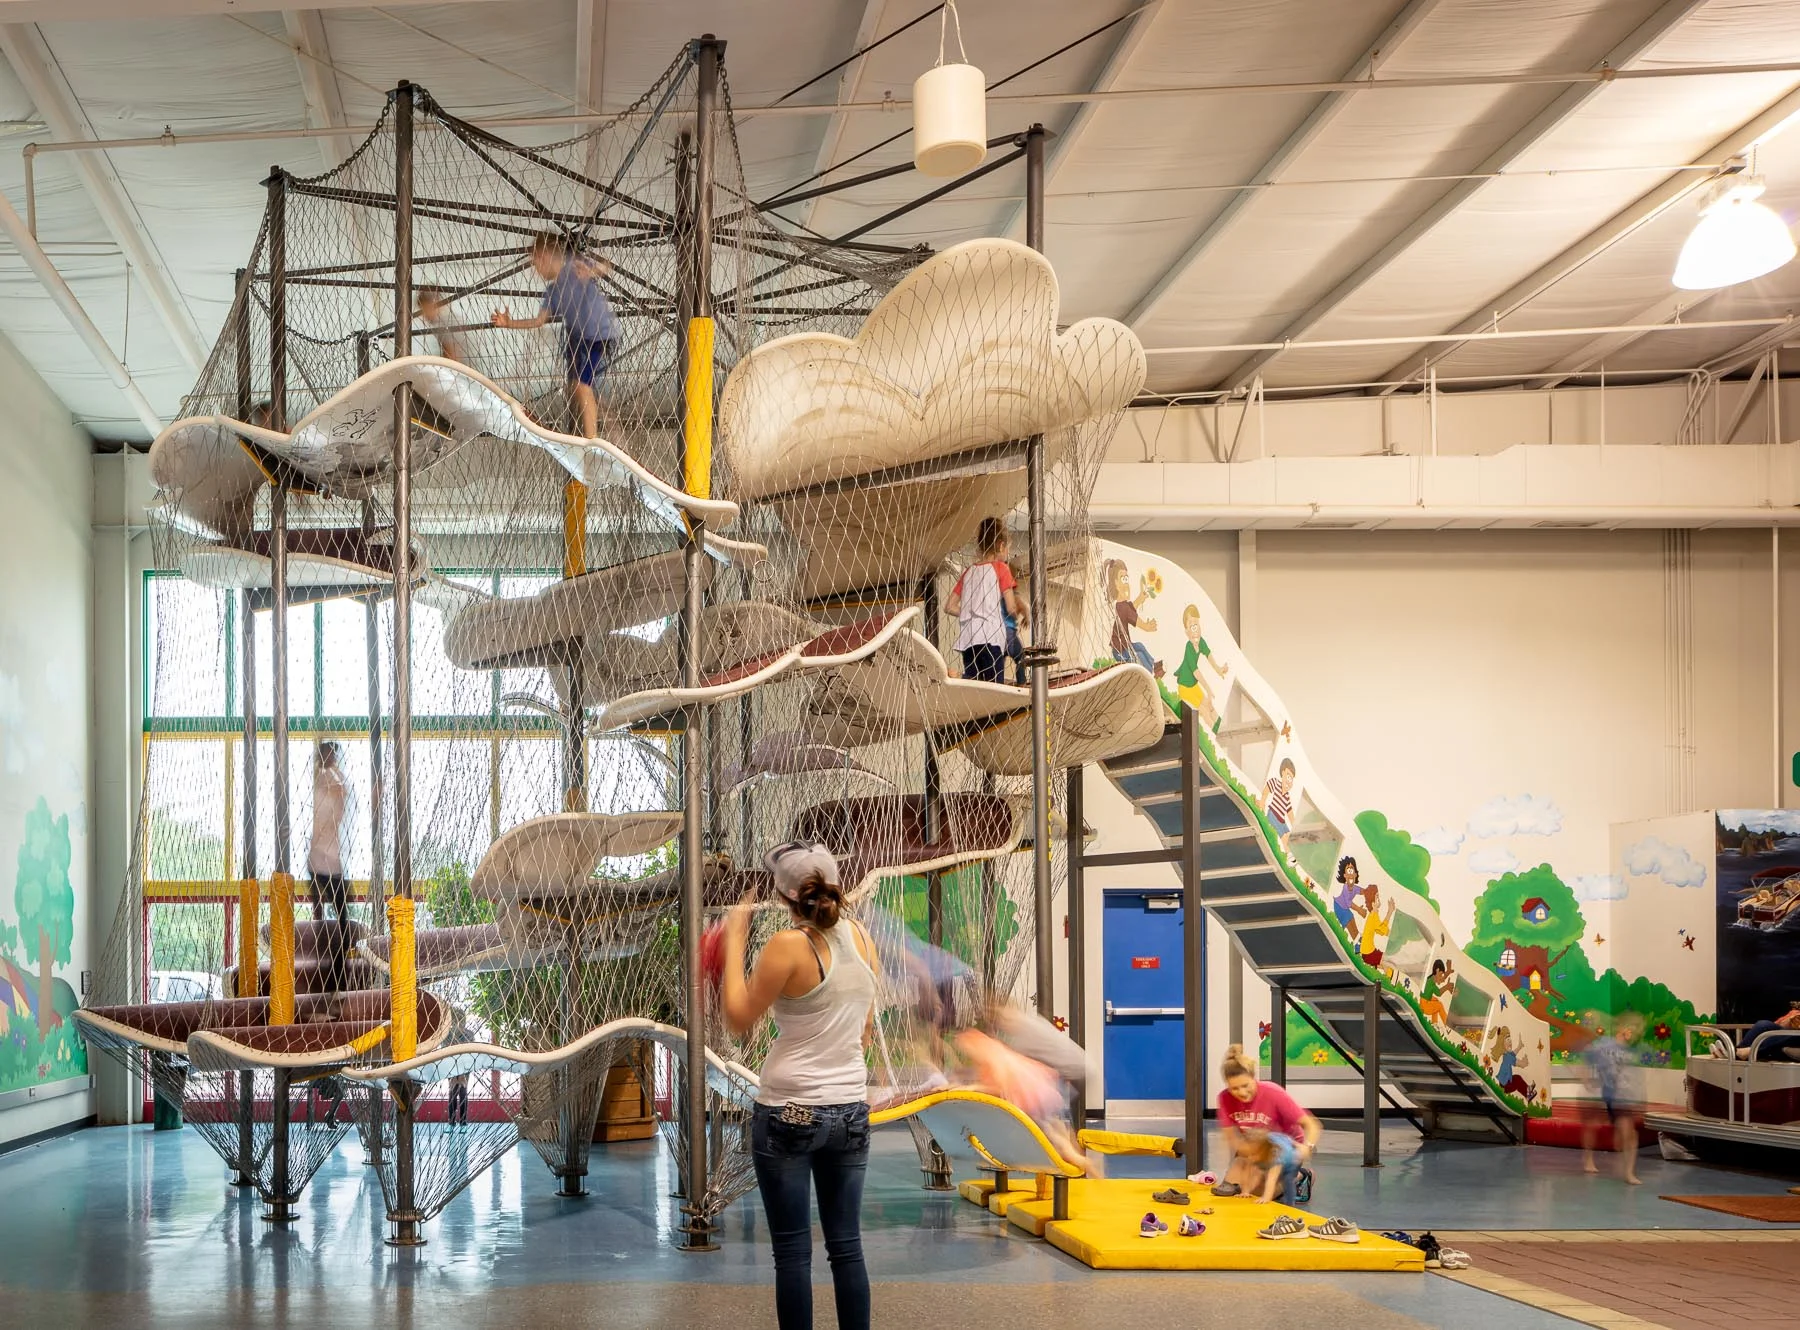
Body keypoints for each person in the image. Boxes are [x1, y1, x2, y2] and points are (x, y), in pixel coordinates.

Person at [722, 842, 881, 1330]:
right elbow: (866, 1031)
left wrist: (733, 941)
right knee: (846, 1248)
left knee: (792, 1252)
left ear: (785, 896)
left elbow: (737, 1018)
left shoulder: (787, 946)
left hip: (789, 1110)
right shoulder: (862, 940)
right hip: (850, 1109)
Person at [492, 232, 620, 441]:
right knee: (575, 390)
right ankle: (606, 419)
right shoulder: (553, 291)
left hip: (598, 336)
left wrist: (592, 271)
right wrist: (509, 323)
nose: (536, 271)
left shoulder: (573, 266)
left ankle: (592, 442)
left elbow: (605, 266)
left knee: (582, 387)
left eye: (536, 264)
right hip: (578, 341)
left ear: (544, 256)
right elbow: (538, 321)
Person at [1199, 1045, 1322, 1204]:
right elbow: (1231, 1138)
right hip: (1255, 1146)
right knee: (1232, 1188)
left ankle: (1300, 1176)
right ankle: (1263, 1177)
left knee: (1261, 1193)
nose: (1242, 1093)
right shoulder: (1224, 1098)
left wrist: (1307, 1147)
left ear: (1253, 1078)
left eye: (1245, 1085)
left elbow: (1311, 1124)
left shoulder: (1273, 1093)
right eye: (1234, 1088)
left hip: (1284, 1149)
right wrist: (1247, 1157)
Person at [947, 517, 1027, 685]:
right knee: (993, 685)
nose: (1007, 554)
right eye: (1007, 549)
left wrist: (973, 612)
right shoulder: (1001, 569)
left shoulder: (968, 572)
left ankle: (963, 677)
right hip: (990, 637)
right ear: (1000, 545)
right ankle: (959, 677)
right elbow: (1011, 607)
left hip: (969, 638)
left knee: (976, 684)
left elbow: (949, 607)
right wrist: (1022, 612)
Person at [1580, 1014, 1644, 1185]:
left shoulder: (1630, 1051)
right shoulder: (1605, 1045)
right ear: (1622, 1029)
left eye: (1637, 1031)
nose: (1634, 1033)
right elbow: (1587, 1056)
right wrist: (1586, 1079)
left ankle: (1629, 1173)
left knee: (1629, 1134)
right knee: (1592, 1127)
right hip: (1606, 1093)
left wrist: (1638, 1098)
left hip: (1621, 1097)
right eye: (1632, 1029)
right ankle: (1588, 1159)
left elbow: (1632, 1076)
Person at [1174, 604, 1228, 728]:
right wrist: (1208, 689)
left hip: (1194, 687)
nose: (1195, 629)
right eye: (1191, 626)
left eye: (1197, 624)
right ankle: (1216, 734)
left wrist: (1219, 669)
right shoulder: (1189, 648)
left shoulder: (1201, 642)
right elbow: (1196, 672)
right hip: (1185, 688)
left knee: (1209, 707)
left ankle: (1222, 730)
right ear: (1187, 631)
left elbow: (1209, 655)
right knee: (1203, 711)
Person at [1102, 557, 1159, 675]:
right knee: (1139, 656)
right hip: (1120, 651)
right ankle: (1151, 674)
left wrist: (1140, 598)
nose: (1127, 583)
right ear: (1116, 583)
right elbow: (1139, 622)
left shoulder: (1121, 605)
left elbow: (1131, 608)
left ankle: (1153, 665)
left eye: (1127, 578)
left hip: (1124, 646)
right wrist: (1148, 626)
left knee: (1140, 646)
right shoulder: (1123, 608)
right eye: (1123, 579)